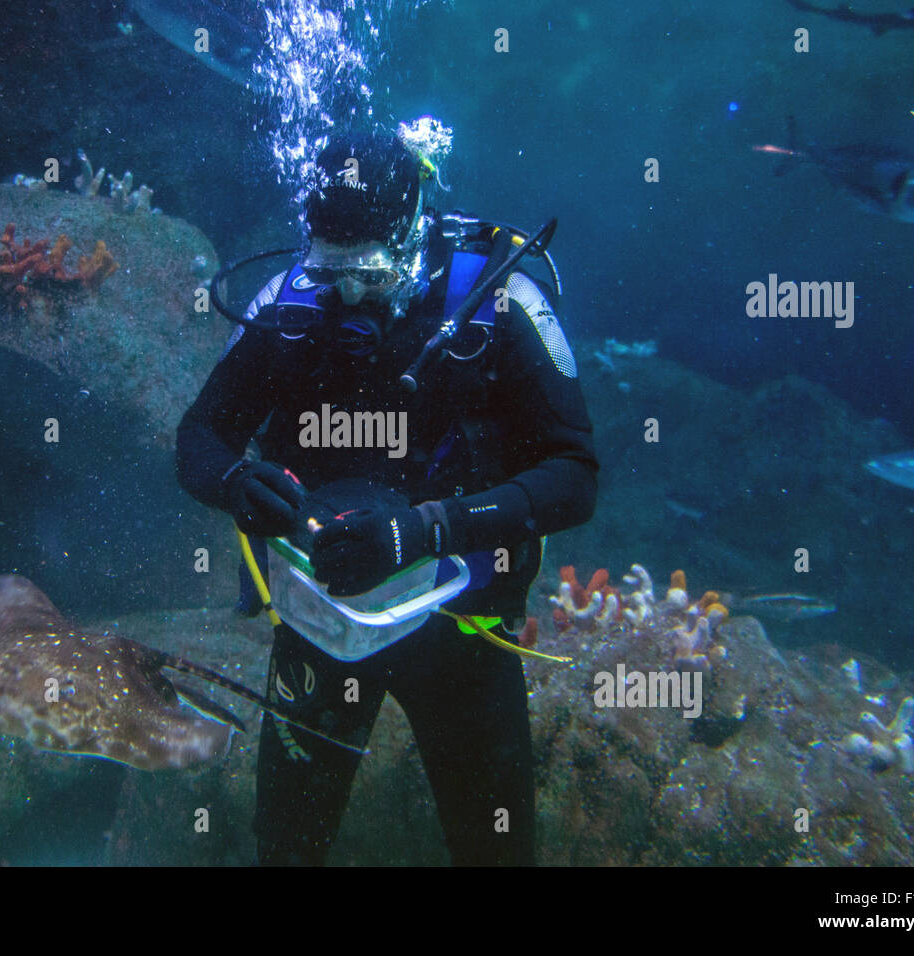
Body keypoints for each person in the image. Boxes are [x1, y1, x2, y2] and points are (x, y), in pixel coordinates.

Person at [176, 126, 598, 865]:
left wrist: (423, 531)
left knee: (495, 850)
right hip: (319, 617)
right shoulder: (291, 306)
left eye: (367, 274)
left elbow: (574, 476)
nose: (344, 294)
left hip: (460, 630)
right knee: (286, 847)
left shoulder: (499, 302)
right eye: (328, 269)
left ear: (412, 235)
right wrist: (236, 483)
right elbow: (198, 437)